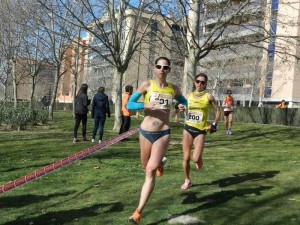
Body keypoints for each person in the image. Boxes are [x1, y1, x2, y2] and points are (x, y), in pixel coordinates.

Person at [126, 56, 187, 224]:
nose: (162, 69)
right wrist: (144, 105)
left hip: (163, 132)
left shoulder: (173, 89)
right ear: (154, 68)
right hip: (146, 132)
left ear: (169, 70)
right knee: (146, 166)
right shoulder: (147, 85)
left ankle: (138, 213)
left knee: (149, 171)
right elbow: (129, 105)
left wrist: (181, 106)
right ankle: (160, 163)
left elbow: (184, 103)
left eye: (165, 67)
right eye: (159, 66)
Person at [179, 73, 220, 190]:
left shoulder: (209, 97)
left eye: (202, 82)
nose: (199, 84)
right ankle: (187, 180)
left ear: (205, 84)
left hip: (200, 131)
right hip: (188, 129)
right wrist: (181, 108)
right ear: (194, 82)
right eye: (197, 81)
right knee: (186, 158)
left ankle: (199, 159)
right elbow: (183, 108)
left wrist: (214, 124)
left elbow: (218, 111)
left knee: (195, 158)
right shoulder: (188, 95)